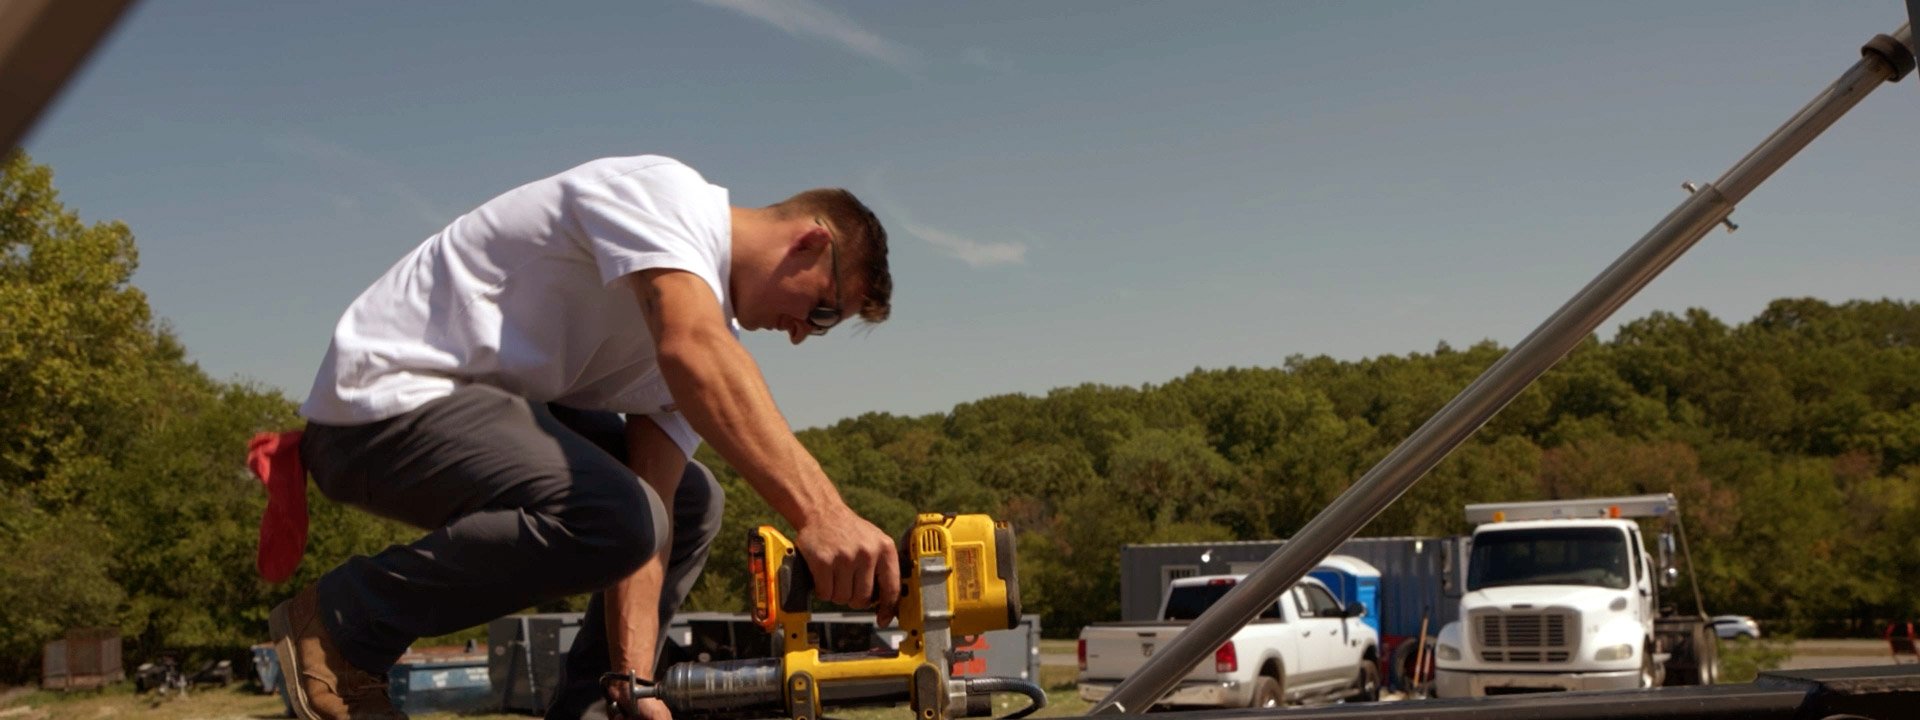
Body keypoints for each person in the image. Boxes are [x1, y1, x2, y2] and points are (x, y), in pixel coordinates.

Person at [266, 155, 900, 720]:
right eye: (822, 312)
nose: (799, 334)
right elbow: (694, 350)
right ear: (811, 242)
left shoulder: (700, 341)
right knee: (619, 513)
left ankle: (595, 704)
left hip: (469, 415)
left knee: (686, 504)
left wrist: (634, 678)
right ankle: (344, 624)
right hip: (380, 404)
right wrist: (824, 514)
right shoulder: (667, 196)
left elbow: (649, 536)